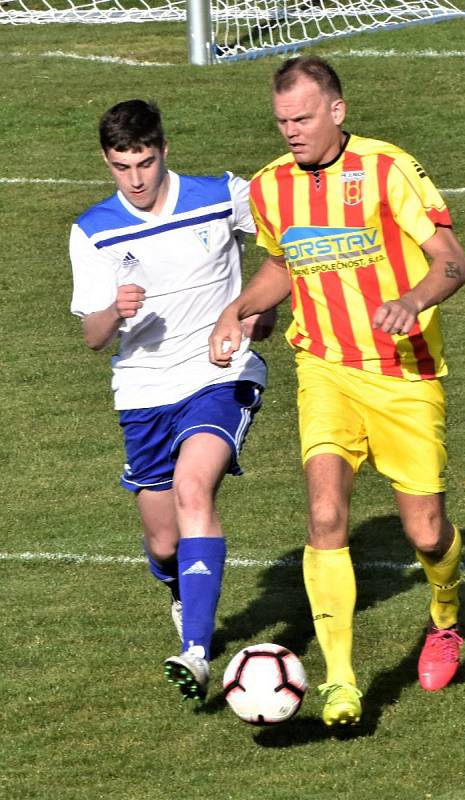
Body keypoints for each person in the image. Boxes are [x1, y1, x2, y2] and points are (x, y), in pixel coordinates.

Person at [209, 56, 465, 727]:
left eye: (301, 118)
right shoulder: (270, 187)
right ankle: (340, 683)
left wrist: (413, 300)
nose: (290, 132)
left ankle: (443, 618)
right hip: (323, 368)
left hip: (402, 375)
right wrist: (236, 311)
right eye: (281, 121)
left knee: (426, 530)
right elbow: (281, 264)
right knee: (324, 517)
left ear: (336, 111)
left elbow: (451, 258)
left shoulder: (388, 170)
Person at [69, 99, 274, 703]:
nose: (134, 179)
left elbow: (288, 250)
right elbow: (91, 336)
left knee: (193, 489)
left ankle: (198, 652)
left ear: (164, 149)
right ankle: (182, 588)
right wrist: (115, 311)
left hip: (220, 371)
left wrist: (258, 310)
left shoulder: (220, 195)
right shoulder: (94, 229)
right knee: (163, 542)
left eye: (145, 162)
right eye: (120, 166)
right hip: (143, 391)